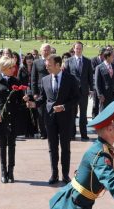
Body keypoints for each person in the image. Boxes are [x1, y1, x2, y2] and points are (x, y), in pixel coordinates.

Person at [26, 55, 80, 184]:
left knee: (65, 147)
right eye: (46, 64)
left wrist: (64, 106)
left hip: (65, 118)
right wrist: (34, 104)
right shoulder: (45, 80)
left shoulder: (71, 79)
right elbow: (43, 98)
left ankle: (65, 175)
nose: (46, 66)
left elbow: (76, 98)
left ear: (57, 65)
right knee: (52, 147)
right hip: (50, 117)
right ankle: (54, 174)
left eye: (49, 64)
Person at [0, 56, 26, 183]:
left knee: (12, 145)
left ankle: (11, 172)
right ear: (4, 68)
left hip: (13, 118)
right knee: (2, 145)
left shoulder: (17, 81)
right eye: (11, 67)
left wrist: (25, 100)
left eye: (14, 66)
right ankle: (3, 172)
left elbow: (20, 101)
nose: (14, 69)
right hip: (0, 118)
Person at [63, 41, 94, 140]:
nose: (78, 50)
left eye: (80, 48)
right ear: (74, 49)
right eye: (76, 48)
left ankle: (83, 134)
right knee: (72, 113)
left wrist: (92, 89)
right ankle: (72, 134)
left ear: (82, 49)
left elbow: (90, 76)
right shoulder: (68, 61)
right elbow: (66, 77)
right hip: (72, 92)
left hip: (84, 91)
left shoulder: (87, 61)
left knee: (83, 114)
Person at [31, 43, 51, 139]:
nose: (46, 51)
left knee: (51, 112)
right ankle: (43, 133)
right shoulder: (36, 62)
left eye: (48, 49)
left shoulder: (53, 60)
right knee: (41, 113)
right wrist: (34, 93)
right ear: (41, 51)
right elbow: (33, 78)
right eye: (44, 49)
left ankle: (51, 131)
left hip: (51, 90)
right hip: (40, 91)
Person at [90, 47, 106, 119]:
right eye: (102, 55)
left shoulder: (105, 61)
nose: (103, 56)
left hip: (103, 85)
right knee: (95, 103)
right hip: (95, 84)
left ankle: (102, 118)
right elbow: (92, 71)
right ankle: (94, 118)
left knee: (103, 103)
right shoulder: (93, 60)